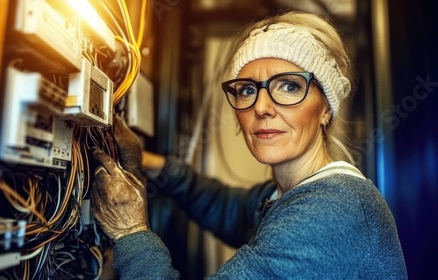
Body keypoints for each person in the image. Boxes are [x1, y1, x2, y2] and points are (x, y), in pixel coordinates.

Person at [90, 11, 408, 279]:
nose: (261, 107)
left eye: (288, 85)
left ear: (326, 109)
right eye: (246, 90)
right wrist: (148, 161)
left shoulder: (331, 214)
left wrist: (129, 231)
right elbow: (228, 208)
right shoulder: (291, 193)